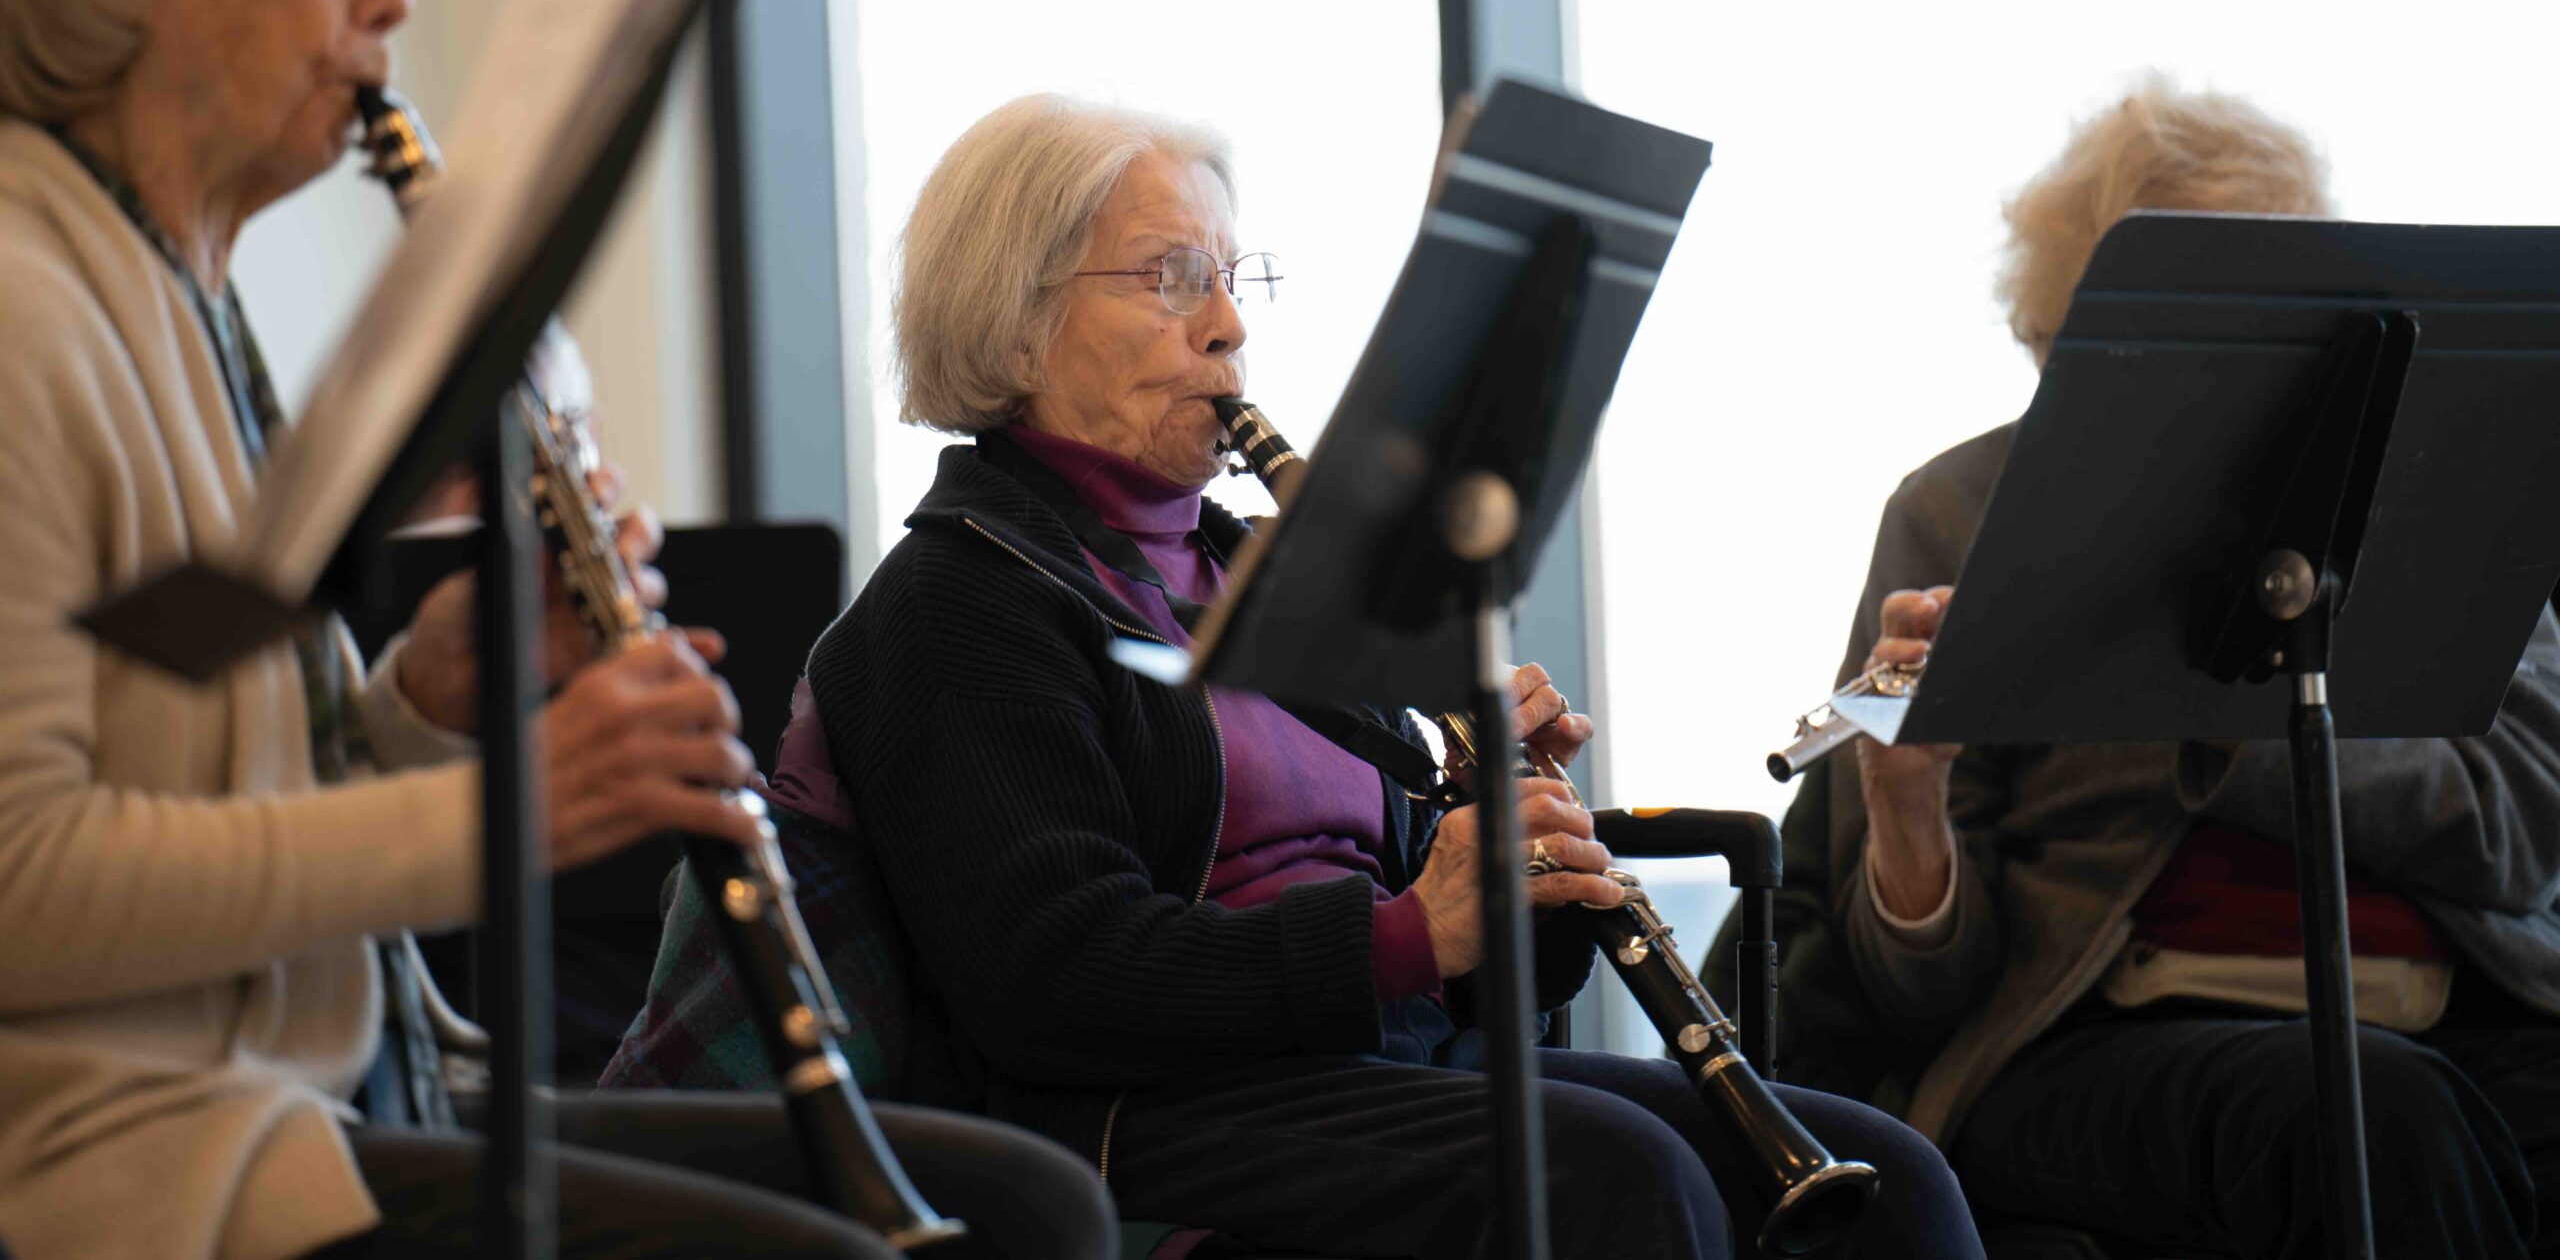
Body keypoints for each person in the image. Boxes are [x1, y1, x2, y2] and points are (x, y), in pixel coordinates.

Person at [0, 0, 1110, 1260]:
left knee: (1031, 1203)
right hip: (138, 1159)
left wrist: (420, 697)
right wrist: (505, 810)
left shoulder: (177, 291)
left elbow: (200, 784)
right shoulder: (27, 308)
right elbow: (27, 882)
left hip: (342, 1084)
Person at [764, 90, 1987, 1258]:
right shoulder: (961, 600)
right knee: (1615, 1174)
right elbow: (1054, 981)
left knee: (1889, 1175)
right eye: (1172, 276)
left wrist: (1512, 873)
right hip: (1148, 1110)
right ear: (1016, 316)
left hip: (1380, 1068)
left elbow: (1474, 990)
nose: (1227, 325)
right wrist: (1403, 933)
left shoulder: (1276, 575)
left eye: (1233, 278)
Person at [1716, 79, 2560, 1258]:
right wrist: (1906, 812)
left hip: (2456, 1004)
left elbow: (2527, 832)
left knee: (2396, 1104)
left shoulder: (2434, 495)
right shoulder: (1962, 510)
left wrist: (2218, 705)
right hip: (2089, 1038)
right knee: (2370, 1117)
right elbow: (1915, 1002)